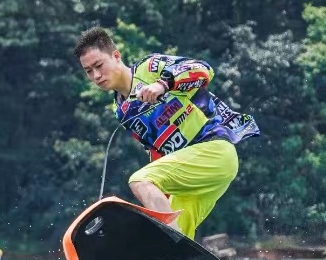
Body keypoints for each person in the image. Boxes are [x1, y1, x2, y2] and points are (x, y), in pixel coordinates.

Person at [74, 26, 260, 240]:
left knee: (140, 180)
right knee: (172, 233)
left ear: (116, 56)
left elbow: (203, 69)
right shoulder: (121, 110)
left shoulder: (149, 68)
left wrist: (163, 85)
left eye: (99, 65)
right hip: (191, 174)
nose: (96, 75)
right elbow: (157, 153)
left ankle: (176, 250)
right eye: (89, 71)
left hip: (216, 150)